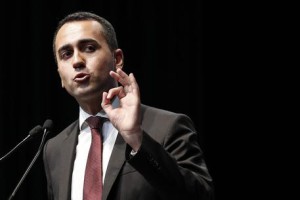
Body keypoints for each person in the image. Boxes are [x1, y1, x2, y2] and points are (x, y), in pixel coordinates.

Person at [43, 11, 214, 200]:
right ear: (59, 74)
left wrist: (136, 139)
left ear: (117, 60)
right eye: (66, 54)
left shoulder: (168, 127)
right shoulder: (54, 149)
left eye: (89, 48)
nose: (77, 61)